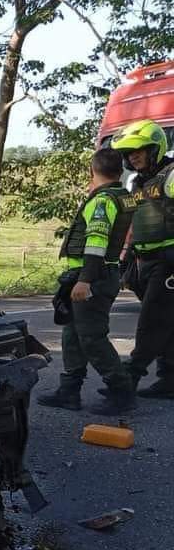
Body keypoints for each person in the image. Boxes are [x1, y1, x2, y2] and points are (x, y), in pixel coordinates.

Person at [38, 147, 137, 414]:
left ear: (92, 170)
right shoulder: (120, 196)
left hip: (93, 277)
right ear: (120, 172)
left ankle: (122, 392)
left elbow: (96, 243)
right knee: (72, 334)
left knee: (92, 338)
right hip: (91, 275)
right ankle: (69, 391)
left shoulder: (102, 202)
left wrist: (85, 280)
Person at [111, 119, 174, 399]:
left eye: (138, 151)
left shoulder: (172, 175)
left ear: (154, 149)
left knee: (151, 321)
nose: (133, 157)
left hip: (169, 261)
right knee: (167, 322)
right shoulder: (136, 182)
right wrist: (125, 256)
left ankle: (127, 381)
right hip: (142, 260)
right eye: (129, 153)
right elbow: (131, 219)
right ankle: (169, 380)